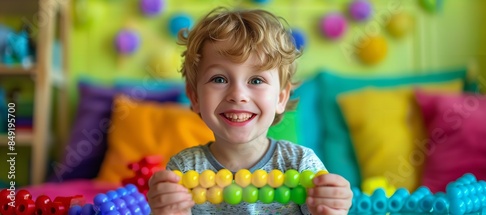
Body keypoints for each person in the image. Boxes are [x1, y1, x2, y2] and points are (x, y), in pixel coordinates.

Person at [147, 6, 353, 215]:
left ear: (281, 98)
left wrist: (332, 208)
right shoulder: (184, 169)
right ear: (195, 98)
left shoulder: (300, 163)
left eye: (256, 80)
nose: (238, 94)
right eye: (219, 79)